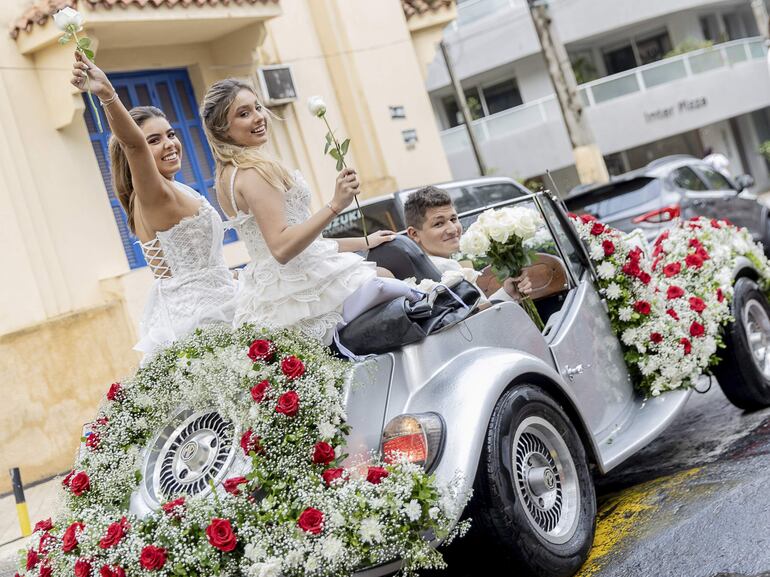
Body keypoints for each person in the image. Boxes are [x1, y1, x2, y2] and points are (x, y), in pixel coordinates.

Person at [200, 78, 397, 345]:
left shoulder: (227, 176)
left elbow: (305, 244)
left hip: (274, 287)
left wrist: (364, 242)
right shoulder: (254, 172)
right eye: (243, 114)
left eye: (257, 108)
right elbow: (282, 248)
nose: (258, 117)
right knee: (394, 285)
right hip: (299, 287)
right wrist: (335, 205)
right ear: (223, 130)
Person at [70, 52, 237, 358]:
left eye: (170, 134)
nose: (170, 144)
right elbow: (132, 144)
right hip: (205, 322)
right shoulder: (153, 193)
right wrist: (108, 94)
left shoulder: (174, 187)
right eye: (154, 140)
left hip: (219, 303)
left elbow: (201, 266)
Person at [404, 186, 566, 303]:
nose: (453, 229)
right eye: (439, 224)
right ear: (414, 234)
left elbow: (475, 310)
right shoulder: (443, 269)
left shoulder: (429, 265)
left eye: (453, 219)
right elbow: (478, 318)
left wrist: (507, 292)